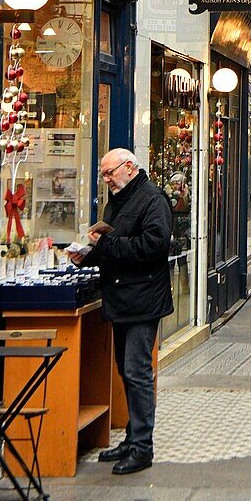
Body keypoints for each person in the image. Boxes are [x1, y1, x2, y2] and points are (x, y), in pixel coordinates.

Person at [80, 148, 173, 475]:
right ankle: (132, 438)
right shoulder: (116, 201)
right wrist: (88, 255)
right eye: (103, 174)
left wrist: (106, 247)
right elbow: (113, 246)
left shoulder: (152, 199)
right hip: (121, 299)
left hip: (143, 300)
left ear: (130, 167)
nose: (105, 179)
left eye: (109, 173)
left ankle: (142, 447)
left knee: (137, 372)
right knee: (127, 371)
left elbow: (155, 246)